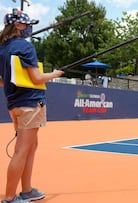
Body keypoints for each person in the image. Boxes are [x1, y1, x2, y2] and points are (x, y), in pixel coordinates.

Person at [0, 10, 64, 203]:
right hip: (30, 103)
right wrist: (54, 74)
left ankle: (27, 191)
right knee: (22, 150)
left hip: (14, 104)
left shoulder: (2, 48)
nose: (29, 28)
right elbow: (36, 77)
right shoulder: (25, 47)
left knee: (30, 147)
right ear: (18, 25)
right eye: (27, 24)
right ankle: (10, 198)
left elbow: (2, 81)